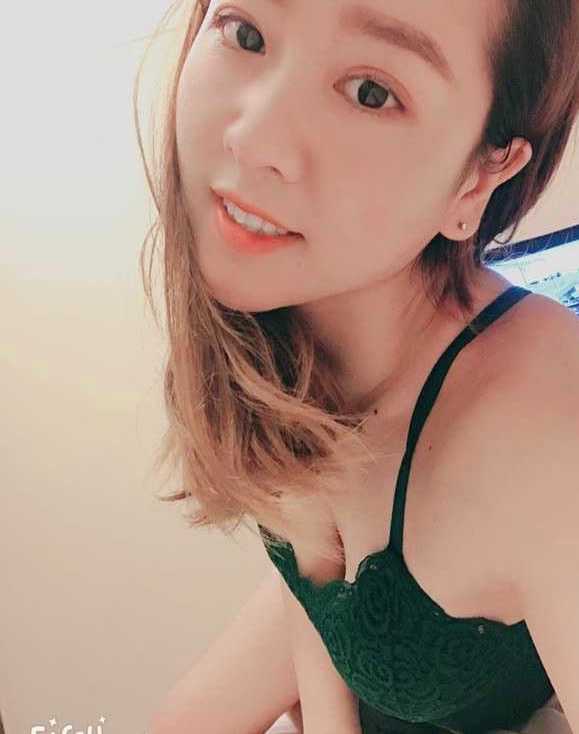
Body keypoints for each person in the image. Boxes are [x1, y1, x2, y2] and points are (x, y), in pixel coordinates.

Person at [137, 1, 579, 733]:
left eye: (371, 92)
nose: (254, 139)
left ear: (478, 178)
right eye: (247, 33)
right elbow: (312, 597)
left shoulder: (546, 429)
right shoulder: (286, 321)